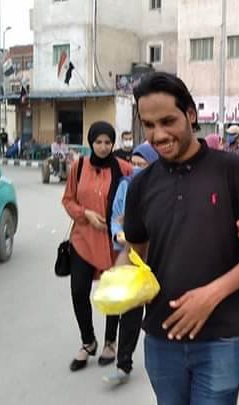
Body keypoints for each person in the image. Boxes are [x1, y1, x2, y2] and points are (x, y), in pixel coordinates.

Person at [119, 72, 239, 404]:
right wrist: (119, 280)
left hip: (220, 337)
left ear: (191, 114)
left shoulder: (230, 170)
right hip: (161, 336)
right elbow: (134, 255)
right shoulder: (141, 185)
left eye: (168, 121)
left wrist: (211, 295)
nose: (158, 135)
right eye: (149, 125)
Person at [62, 121, 133, 372]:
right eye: (98, 142)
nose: (103, 147)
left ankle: (110, 342)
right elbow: (68, 200)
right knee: (78, 290)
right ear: (91, 142)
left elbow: (137, 196)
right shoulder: (79, 167)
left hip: (113, 242)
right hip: (83, 238)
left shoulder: (124, 168)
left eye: (107, 142)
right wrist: (86, 214)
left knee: (113, 292)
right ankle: (88, 341)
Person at [105, 143, 159, 385]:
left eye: (142, 164)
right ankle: (123, 364)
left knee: (158, 312)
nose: (136, 168)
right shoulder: (125, 186)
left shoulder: (162, 188)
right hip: (133, 257)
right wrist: (119, 232)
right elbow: (116, 217)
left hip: (158, 258)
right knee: (130, 311)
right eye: (134, 163)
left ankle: (164, 360)